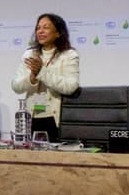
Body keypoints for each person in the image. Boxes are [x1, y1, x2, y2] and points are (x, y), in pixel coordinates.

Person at [11, 14, 80, 142]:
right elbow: (16, 86)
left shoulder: (69, 55)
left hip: (54, 118)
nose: (40, 31)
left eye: (46, 27)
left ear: (58, 33)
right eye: (38, 28)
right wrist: (31, 78)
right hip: (31, 118)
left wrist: (42, 72)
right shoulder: (29, 54)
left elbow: (71, 87)